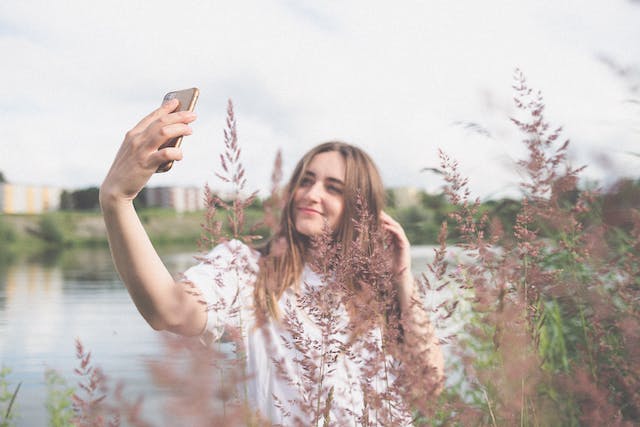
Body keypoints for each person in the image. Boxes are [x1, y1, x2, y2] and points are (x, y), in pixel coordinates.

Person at [100, 98, 444, 425]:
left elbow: (428, 385)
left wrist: (401, 278)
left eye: (333, 188)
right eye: (306, 181)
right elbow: (169, 311)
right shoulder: (249, 270)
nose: (311, 194)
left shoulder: (378, 287)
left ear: (361, 206)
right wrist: (118, 199)